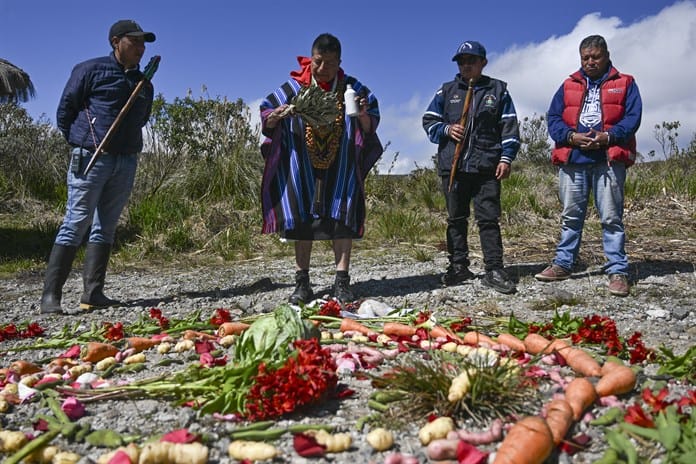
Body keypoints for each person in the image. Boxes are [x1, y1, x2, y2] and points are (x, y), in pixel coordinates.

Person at [40, 20, 156, 314]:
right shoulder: (90, 69)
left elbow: (141, 118)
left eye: (144, 43)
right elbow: (66, 108)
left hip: (126, 159)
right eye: (135, 41)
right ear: (116, 41)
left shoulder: (145, 83)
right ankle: (50, 297)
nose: (141, 48)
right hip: (92, 156)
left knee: (106, 225)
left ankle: (93, 293)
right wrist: (78, 141)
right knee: (76, 221)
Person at [259, 33, 383, 305]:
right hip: (301, 162)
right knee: (302, 218)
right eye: (318, 62)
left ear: (339, 62)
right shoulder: (294, 87)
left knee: (342, 217)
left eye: (330, 63)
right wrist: (277, 116)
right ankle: (302, 282)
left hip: (341, 163)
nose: (323, 69)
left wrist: (362, 114)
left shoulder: (353, 87)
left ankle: (342, 282)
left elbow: (371, 122)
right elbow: (266, 112)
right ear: (311, 57)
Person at [535, 35, 642, 297]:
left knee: (611, 218)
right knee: (571, 216)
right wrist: (570, 137)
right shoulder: (568, 84)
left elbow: (633, 117)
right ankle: (563, 263)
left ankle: (617, 270)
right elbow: (553, 118)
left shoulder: (625, 82)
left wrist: (609, 136)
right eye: (585, 58)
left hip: (608, 160)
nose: (590, 62)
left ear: (606, 55)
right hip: (573, 160)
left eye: (595, 57)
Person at [423, 40, 520, 294]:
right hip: (452, 166)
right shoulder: (446, 91)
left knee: (488, 219)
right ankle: (458, 266)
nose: (466, 65)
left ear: (482, 63)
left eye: (471, 61)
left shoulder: (498, 90)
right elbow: (429, 120)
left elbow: (509, 127)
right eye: (462, 61)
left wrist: (506, 158)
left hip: (487, 166)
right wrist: (446, 129)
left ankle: (494, 269)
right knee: (456, 218)